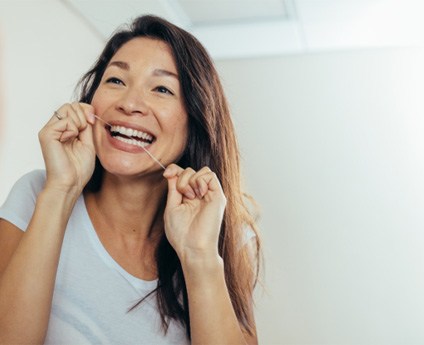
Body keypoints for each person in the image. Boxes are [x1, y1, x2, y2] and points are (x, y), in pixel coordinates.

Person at [0, 15, 261, 344]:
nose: (130, 104)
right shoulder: (37, 193)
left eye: (162, 88)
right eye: (116, 81)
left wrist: (199, 256)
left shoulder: (227, 237)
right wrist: (61, 191)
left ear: (195, 121)